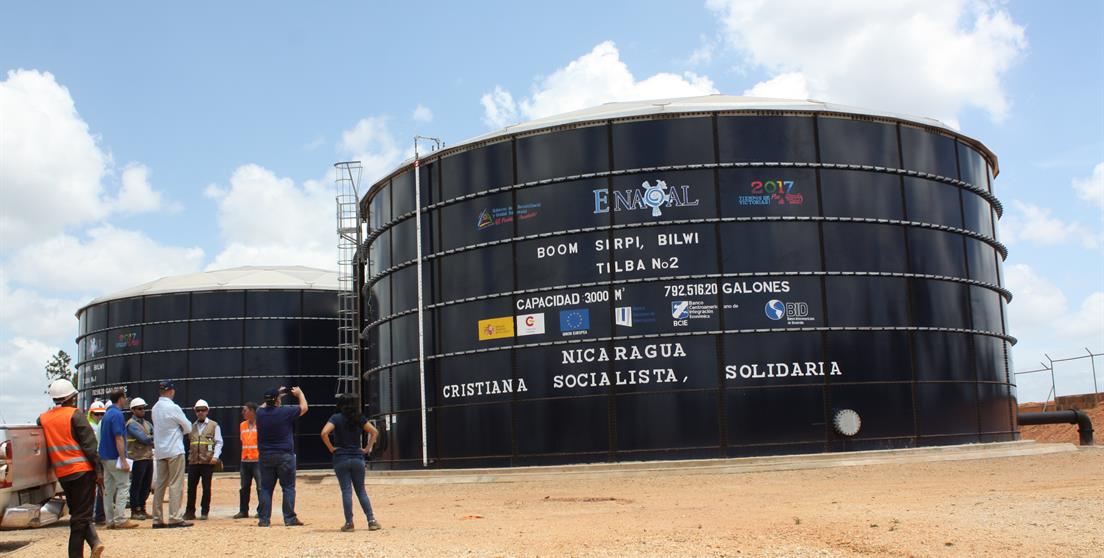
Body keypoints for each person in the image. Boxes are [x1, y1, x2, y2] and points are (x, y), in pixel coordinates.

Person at [39, 379, 105, 558]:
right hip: (82, 471)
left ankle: (94, 542)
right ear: (71, 397)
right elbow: (90, 446)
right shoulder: (75, 415)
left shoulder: (43, 418)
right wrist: (99, 472)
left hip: (63, 474)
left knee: (78, 513)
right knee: (80, 518)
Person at [320, 393, 381, 532]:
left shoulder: (335, 418)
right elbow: (374, 432)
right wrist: (366, 448)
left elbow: (324, 433)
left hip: (341, 457)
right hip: (357, 457)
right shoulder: (359, 418)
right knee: (361, 491)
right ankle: (371, 521)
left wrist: (331, 448)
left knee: (346, 491)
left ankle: (349, 523)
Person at [255, 386, 307, 527]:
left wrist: (275, 395)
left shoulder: (260, 413)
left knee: (266, 488)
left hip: (265, 455)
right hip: (284, 455)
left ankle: (264, 519)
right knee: (288, 487)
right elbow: (304, 407)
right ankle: (289, 518)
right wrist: (300, 394)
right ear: (277, 400)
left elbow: (262, 406)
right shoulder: (285, 412)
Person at [150, 380, 193, 528]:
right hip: (174, 449)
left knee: (160, 485)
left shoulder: (155, 408)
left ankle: (157, 518)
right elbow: (187, 427)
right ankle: (174, 517)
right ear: (171, 391)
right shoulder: (173, 407)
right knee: (176, 484)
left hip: (161, 451)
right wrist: (180, 429)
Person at [98, 389, 138, 529]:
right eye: (125, 398)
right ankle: (120, 518)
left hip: (105, 457)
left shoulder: (106, 415)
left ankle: (110, 520)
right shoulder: (117, 415)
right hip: (115, 456)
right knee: (123, 485)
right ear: (121, 398)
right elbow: (118, 437)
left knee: (108, 489)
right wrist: (123, 459)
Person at [184, 399, 222, 521]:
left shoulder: (214, 425)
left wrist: (215, 456)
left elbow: (219, 442)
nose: (200, 412)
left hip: (207, 462)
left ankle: (204, 511)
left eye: (203, 410)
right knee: (191, 488)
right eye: (198, 410)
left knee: (206, 488)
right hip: (194, 462)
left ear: (207, 411)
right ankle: (190, 512)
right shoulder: (191, 426)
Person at [126, 397, 154, 520]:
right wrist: (151, 438)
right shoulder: (131, 424)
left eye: (143, 408)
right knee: (137, 484)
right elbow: (144, 439)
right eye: (139, 408)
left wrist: (151, 438)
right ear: (133, 410)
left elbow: (152, 436)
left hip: (147, 457)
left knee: (146, 484)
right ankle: (135, 510)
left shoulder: (147, 424)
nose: (143, 410)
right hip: (137, 458)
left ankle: (142, 508)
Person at [233, 402, 261, 519]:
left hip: (258, 461)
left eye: (245, 410)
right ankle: (243, 511)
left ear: (252, 411)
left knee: (260, 487)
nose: (242, 413)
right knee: (244, 487)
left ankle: (262, 510)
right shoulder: (242, 425)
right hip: (245, 461)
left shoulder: (261, 424)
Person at [88, 401, 107, 526]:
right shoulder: (89, 427)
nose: (99, 417)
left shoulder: (98, 426)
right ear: (91, 414)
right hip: (91, 461)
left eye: (102, 414)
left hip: (95, 460)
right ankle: (96, 514)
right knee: (95, 489)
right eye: (97, 414)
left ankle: (95, 514)